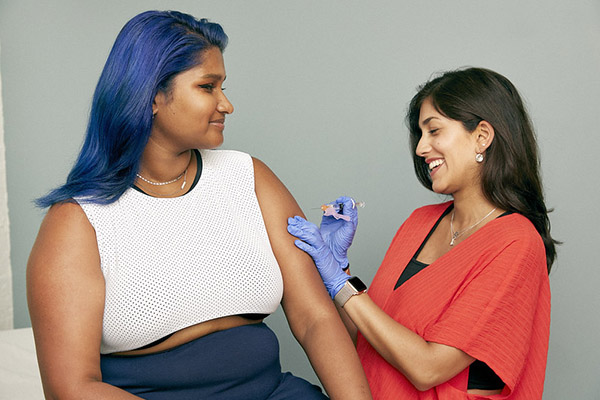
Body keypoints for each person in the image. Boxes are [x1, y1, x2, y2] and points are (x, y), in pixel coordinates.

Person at [26, 10, 371, 400]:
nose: (227, 104)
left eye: (223, 86)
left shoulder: (250, 176)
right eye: (208, 87)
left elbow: (315, 319)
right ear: (153, 95)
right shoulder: (77, 221)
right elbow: (71, 388)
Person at [288, 67, 556, 399]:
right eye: (420, 134)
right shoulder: (419, 223)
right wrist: (339, 269)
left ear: (482, 136)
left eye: (434, 131)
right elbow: (370, 341)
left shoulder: (515, 242)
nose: (420, 148)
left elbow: (428, 368)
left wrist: (342, 286)